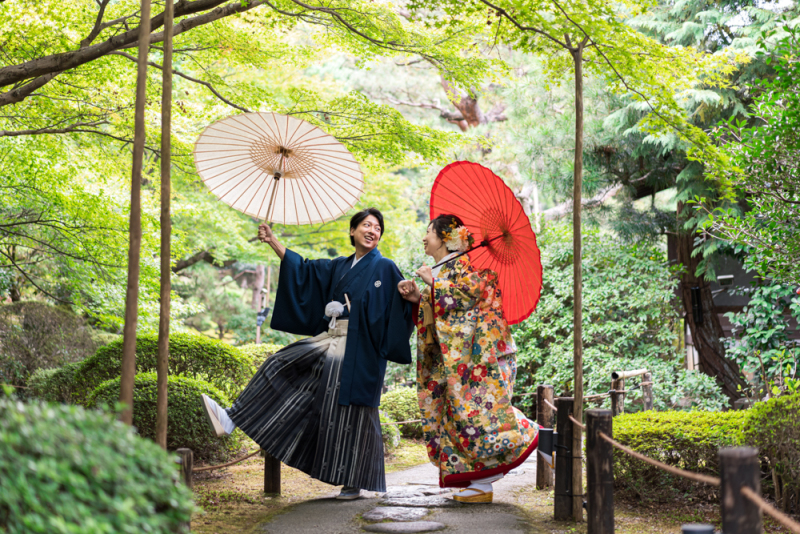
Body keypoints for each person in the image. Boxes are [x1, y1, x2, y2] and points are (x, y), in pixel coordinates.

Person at [201, 208, 414, 499]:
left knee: (352, 413)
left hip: (361, 350)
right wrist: (273, 241)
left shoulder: (385, 267)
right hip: (332, 338)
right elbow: (303, 270)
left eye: (377, 228)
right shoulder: (339, 265)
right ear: (352, 231)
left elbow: (400, 302)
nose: (372, 231)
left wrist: (408, 296)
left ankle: (352, 482)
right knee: (279, 362)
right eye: (366, 225)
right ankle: (232, 417)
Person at [397, 214, 538, 504]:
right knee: (459, 420)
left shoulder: (463, 270)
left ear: (444, 239)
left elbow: (468, 302)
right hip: (459, 363)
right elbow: (442, 314)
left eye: (429, 232)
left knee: (478, 418)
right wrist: (419, 298)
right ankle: (479, 483)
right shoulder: (446, 270)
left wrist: (435, 285)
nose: (424, 238)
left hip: (480, 360)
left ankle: (540, 438)